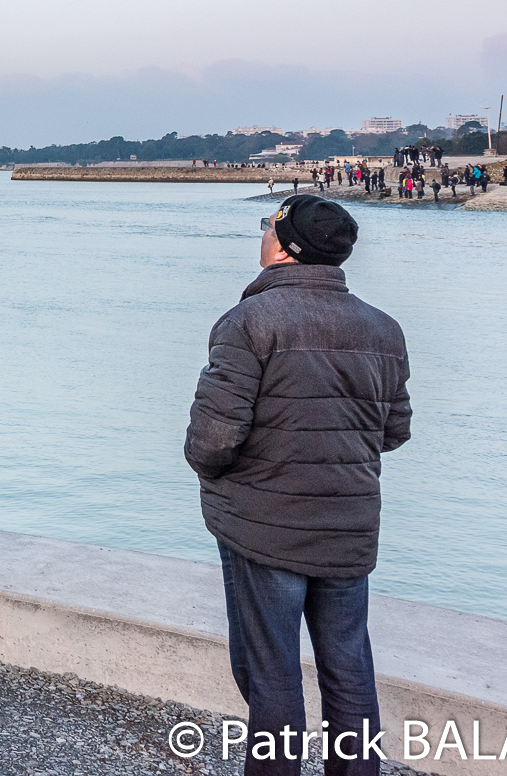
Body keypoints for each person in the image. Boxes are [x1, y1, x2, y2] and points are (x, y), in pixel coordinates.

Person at [185, 194, 410, 776]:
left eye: (269, 226)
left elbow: (211, 441)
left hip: (265, 527)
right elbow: (394, 431)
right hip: (349, 525)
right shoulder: (384, 329)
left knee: (271, 673)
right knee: (348, 668)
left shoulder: (248, 322)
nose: (263, 234)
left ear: (285, 249)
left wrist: (224, 478)